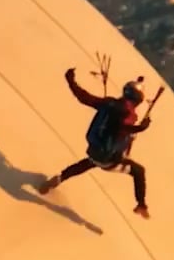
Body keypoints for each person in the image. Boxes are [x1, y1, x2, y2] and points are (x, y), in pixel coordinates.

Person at [47, 67, 162, 216]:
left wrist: (71, 80)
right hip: (109, 160)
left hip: (94, 150)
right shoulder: (128, 113)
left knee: (90, 162)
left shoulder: (109, 103)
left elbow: (84, 97)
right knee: (139, 171)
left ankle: (60, 177)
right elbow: (121, 127)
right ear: (138, 100)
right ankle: (141, 205)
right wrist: (140, 128)